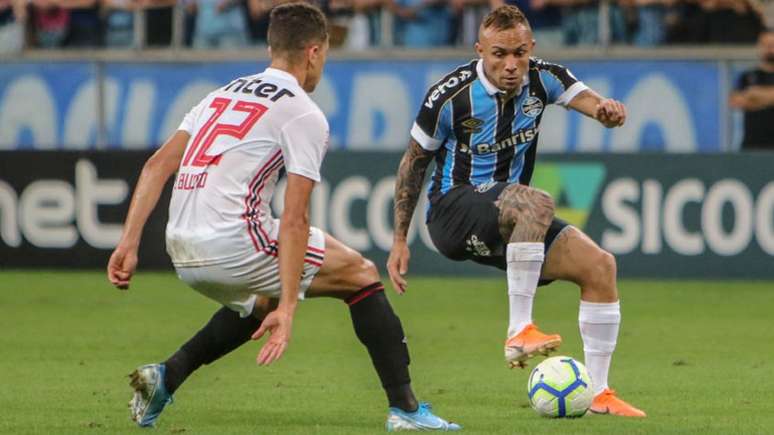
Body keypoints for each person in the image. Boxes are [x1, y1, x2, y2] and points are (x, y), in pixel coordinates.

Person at [106, 3, 459, 431]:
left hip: (179, 246)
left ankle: (168, 375)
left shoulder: (220, 95)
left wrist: (127, 244)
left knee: (263, 298)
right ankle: (405, 410)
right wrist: (290, 310)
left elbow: (155, 166)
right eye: (324, 56)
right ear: (313, 52)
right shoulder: (303, 113)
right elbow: (295, 219)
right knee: (360, 274)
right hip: (231, 240)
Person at [387, 5, 645, 418]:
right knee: (535, 200)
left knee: (600, 267)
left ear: (531, 49)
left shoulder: (545, 78)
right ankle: (518, 330)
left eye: (519, 53)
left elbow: (591, 102)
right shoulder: (449, 96)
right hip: (453, 210)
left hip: (513, 219)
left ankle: (598, 392)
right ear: (480, 51)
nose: (511, 65)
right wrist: (400, 239)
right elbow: (413, 163)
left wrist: (607, 112)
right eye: (499, 54)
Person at [729, 28, 774, 150]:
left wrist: (754, 94)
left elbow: (748, 97)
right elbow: (736, 102)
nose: (769, 49)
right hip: (752, 146)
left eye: (772, 45)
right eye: (765, 45)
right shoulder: (747, 76)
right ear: (759, 47)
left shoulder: (750, 85)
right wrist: (770, 98)